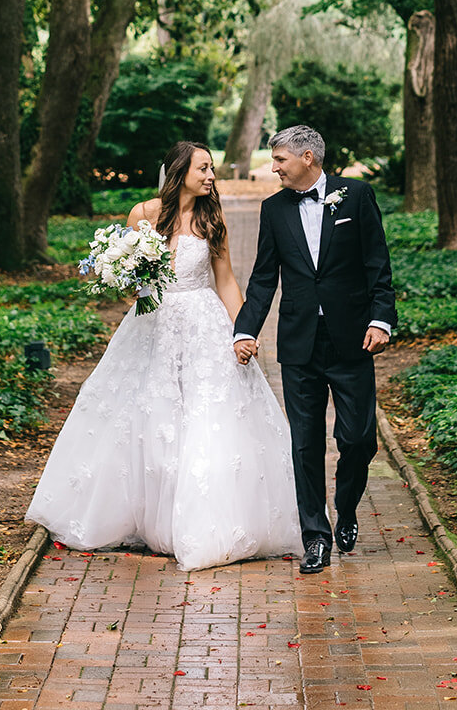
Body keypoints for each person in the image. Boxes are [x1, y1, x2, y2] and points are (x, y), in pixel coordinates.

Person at [25, 140, 302, 570]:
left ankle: (197, 522)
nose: (211, 176)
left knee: (204, 417)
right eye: (203, 168)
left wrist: (243, 330)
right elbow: (130, 282)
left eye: (211, 168)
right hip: (152, 323)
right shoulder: (143, 214)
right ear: (179, 172)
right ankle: (147, 516)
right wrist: (124, 276)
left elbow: (226, 280)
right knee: (149, 419)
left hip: (203, 322)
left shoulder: (212, 219)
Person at [232, 125, 396, 574]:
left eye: (279, 159)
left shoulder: (355, 196)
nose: (274, 168)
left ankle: (347, 505)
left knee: (358, 439)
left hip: (352, 339)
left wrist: (381, 319)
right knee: (304, 444)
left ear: (307, 157)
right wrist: (244, 331)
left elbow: (377, 264)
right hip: (299, 342)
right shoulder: (273, 209)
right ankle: (316, 537)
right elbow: (263, 277)